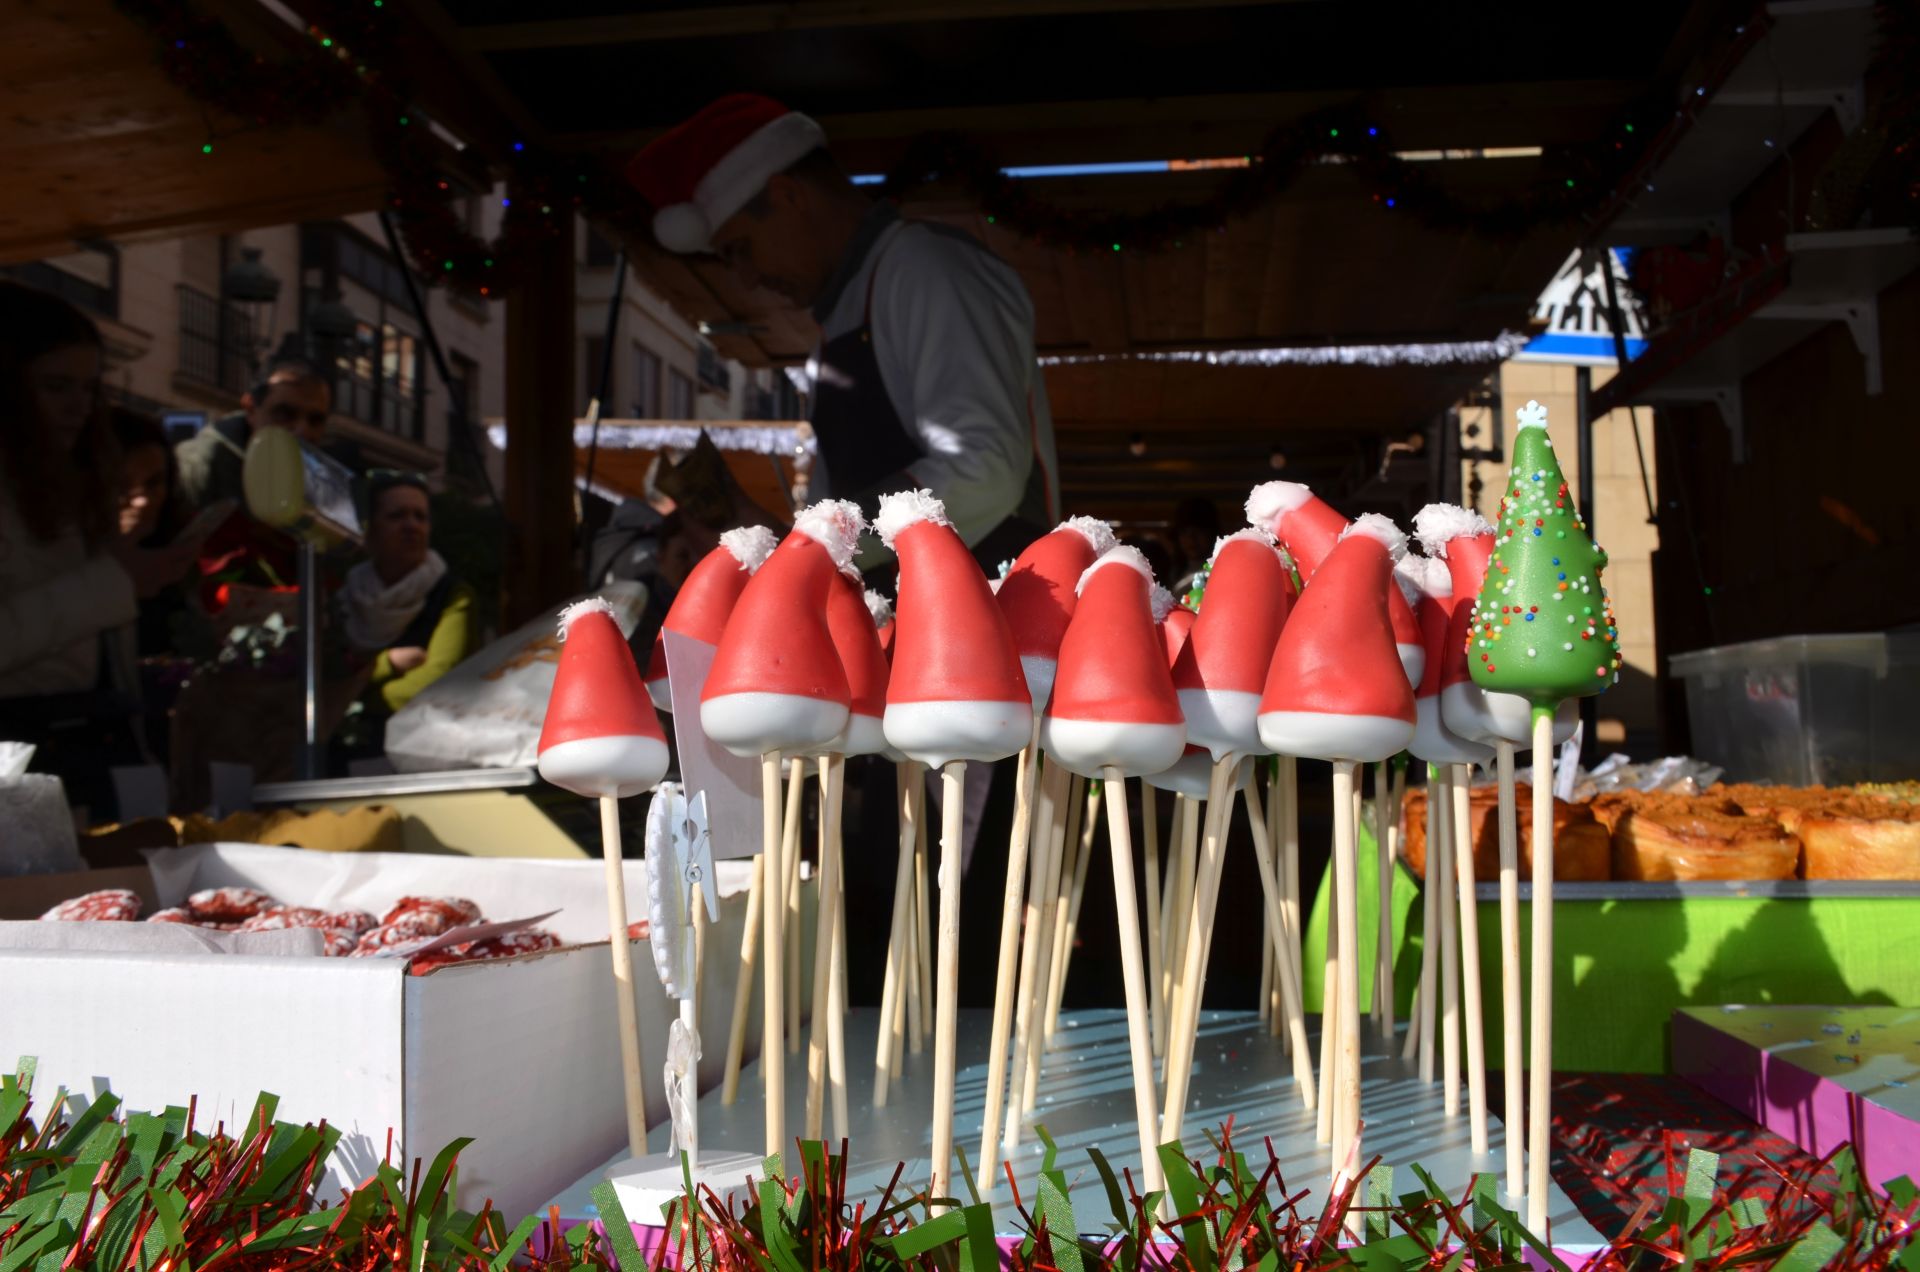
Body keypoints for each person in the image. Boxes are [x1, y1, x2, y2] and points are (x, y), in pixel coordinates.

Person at [627, 93, 1060, 572]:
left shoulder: (924, 267)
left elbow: (983, 470)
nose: (747, 277)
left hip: (998, 608)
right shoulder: (833, 330)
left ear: (787, 194)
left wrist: (813, 548)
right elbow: (832, 523)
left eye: (741, 249)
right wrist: (776, 538)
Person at [0, 282, 197, 819]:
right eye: (55, 386)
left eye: (88, 389)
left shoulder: (61, 484)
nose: (78, 408)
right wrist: (116, 583)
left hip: (69, 746)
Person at [332, 471, 476, 764]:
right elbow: (327, 674)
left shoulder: (452, 593)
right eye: (396, 515)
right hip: (344, 753)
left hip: (421, 754)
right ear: (369, 528)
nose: (411, 525)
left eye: (420, 516)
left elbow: (439, 682)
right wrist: (387, 664)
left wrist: (347, 697)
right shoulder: (342, 596)